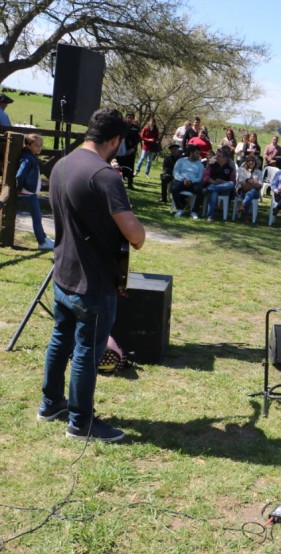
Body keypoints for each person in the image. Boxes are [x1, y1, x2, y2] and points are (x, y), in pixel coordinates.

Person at [38, 108, 146, 442]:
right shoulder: (106, 176)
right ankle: (81, 422)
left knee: (60, 338)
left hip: (63, 274)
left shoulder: (62, 163)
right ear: (115, 140)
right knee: (87, 350)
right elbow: (135, 236)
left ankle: (50, 403)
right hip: (94, 283)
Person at [15, 133, 54, 250]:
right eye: (37, 145)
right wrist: (19, 188)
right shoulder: (27, 158)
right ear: (28, 145)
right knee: (37, 217)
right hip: (28, 193)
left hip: (31, 192)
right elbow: (19, 175)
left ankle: (44, 237)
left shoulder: (31, 156)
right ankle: (42, 242)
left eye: (41, 145)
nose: (40, 147)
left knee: (38, 217)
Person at [170, 144, 205, 218]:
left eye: (199, 153)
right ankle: (179, 209)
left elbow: (199, 177)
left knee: (200, 191)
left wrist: (190, 180)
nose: (199, 155)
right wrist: (183, 179)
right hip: (181, 180)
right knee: (174, 188)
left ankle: (194, 211)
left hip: (193, 183)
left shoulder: (200, 165)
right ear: (191, 153)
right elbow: (175, 172)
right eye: (197, 153)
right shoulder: (181, 161)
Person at [202, 148, 236, 222]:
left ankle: (212, 188)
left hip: (225, 189)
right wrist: (214, 182)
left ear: (225, 158)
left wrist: (223, 182)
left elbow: (233, 182)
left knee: (231, 184)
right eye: (216, 155)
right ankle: (210, 216)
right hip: (212, 184)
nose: (216, 157)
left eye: (219, 156)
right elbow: (205, 177)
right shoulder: (211, 166)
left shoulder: (230, 169)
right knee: (214, 192)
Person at [115, 111, 140, 189]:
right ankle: (117, 182)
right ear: (126, 118)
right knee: (119, 165)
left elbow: (137, 139)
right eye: (128, 117)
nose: (129, 119)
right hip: (120, 148)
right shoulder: (120, 126)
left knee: (130, 166)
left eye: (131, 118)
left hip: (130, 149)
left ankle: (130, 184)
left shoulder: (135, 128)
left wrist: (133, 148)